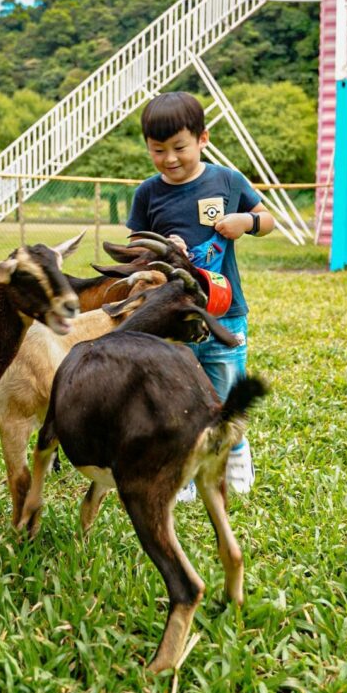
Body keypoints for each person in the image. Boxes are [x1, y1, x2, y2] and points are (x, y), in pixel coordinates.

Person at [127, 92, 274, 500]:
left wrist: (246, 221)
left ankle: (237, 452)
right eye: (158, 150)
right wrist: (158, 244)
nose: (170, 159)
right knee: (178, 393)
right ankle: (186, 469)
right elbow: (136, 246)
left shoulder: (227, 181)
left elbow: (269, 221)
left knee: (224, 388)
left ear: (203, 138)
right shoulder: (148, 193)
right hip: (171, 316)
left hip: (224, 311)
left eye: (179, 147)